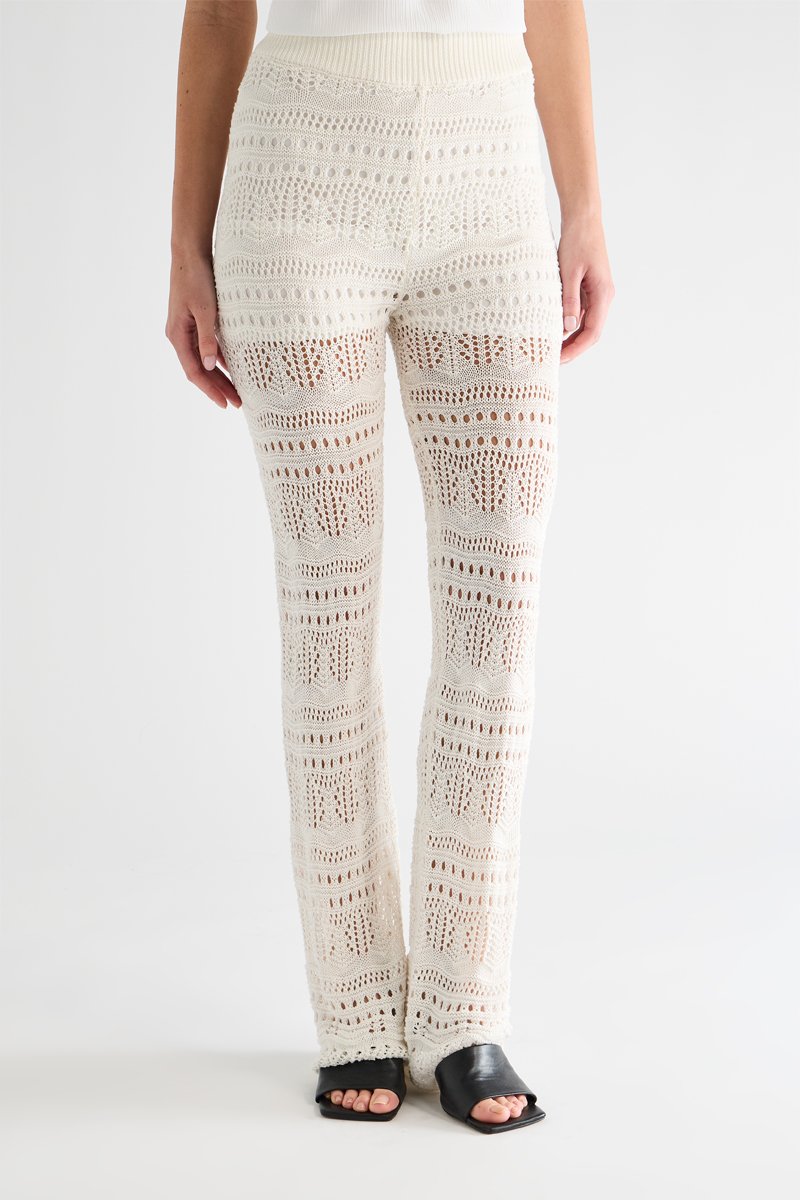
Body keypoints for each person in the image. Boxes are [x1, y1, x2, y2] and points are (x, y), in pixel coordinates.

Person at [166, 0, 614, 1132]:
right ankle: (356, 1005)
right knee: (325, 615)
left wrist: (584, 206)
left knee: (496, 621)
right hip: (298, 180)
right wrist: (184, 243)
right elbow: (217, 10)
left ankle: (463, 1012)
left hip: (489, 179)